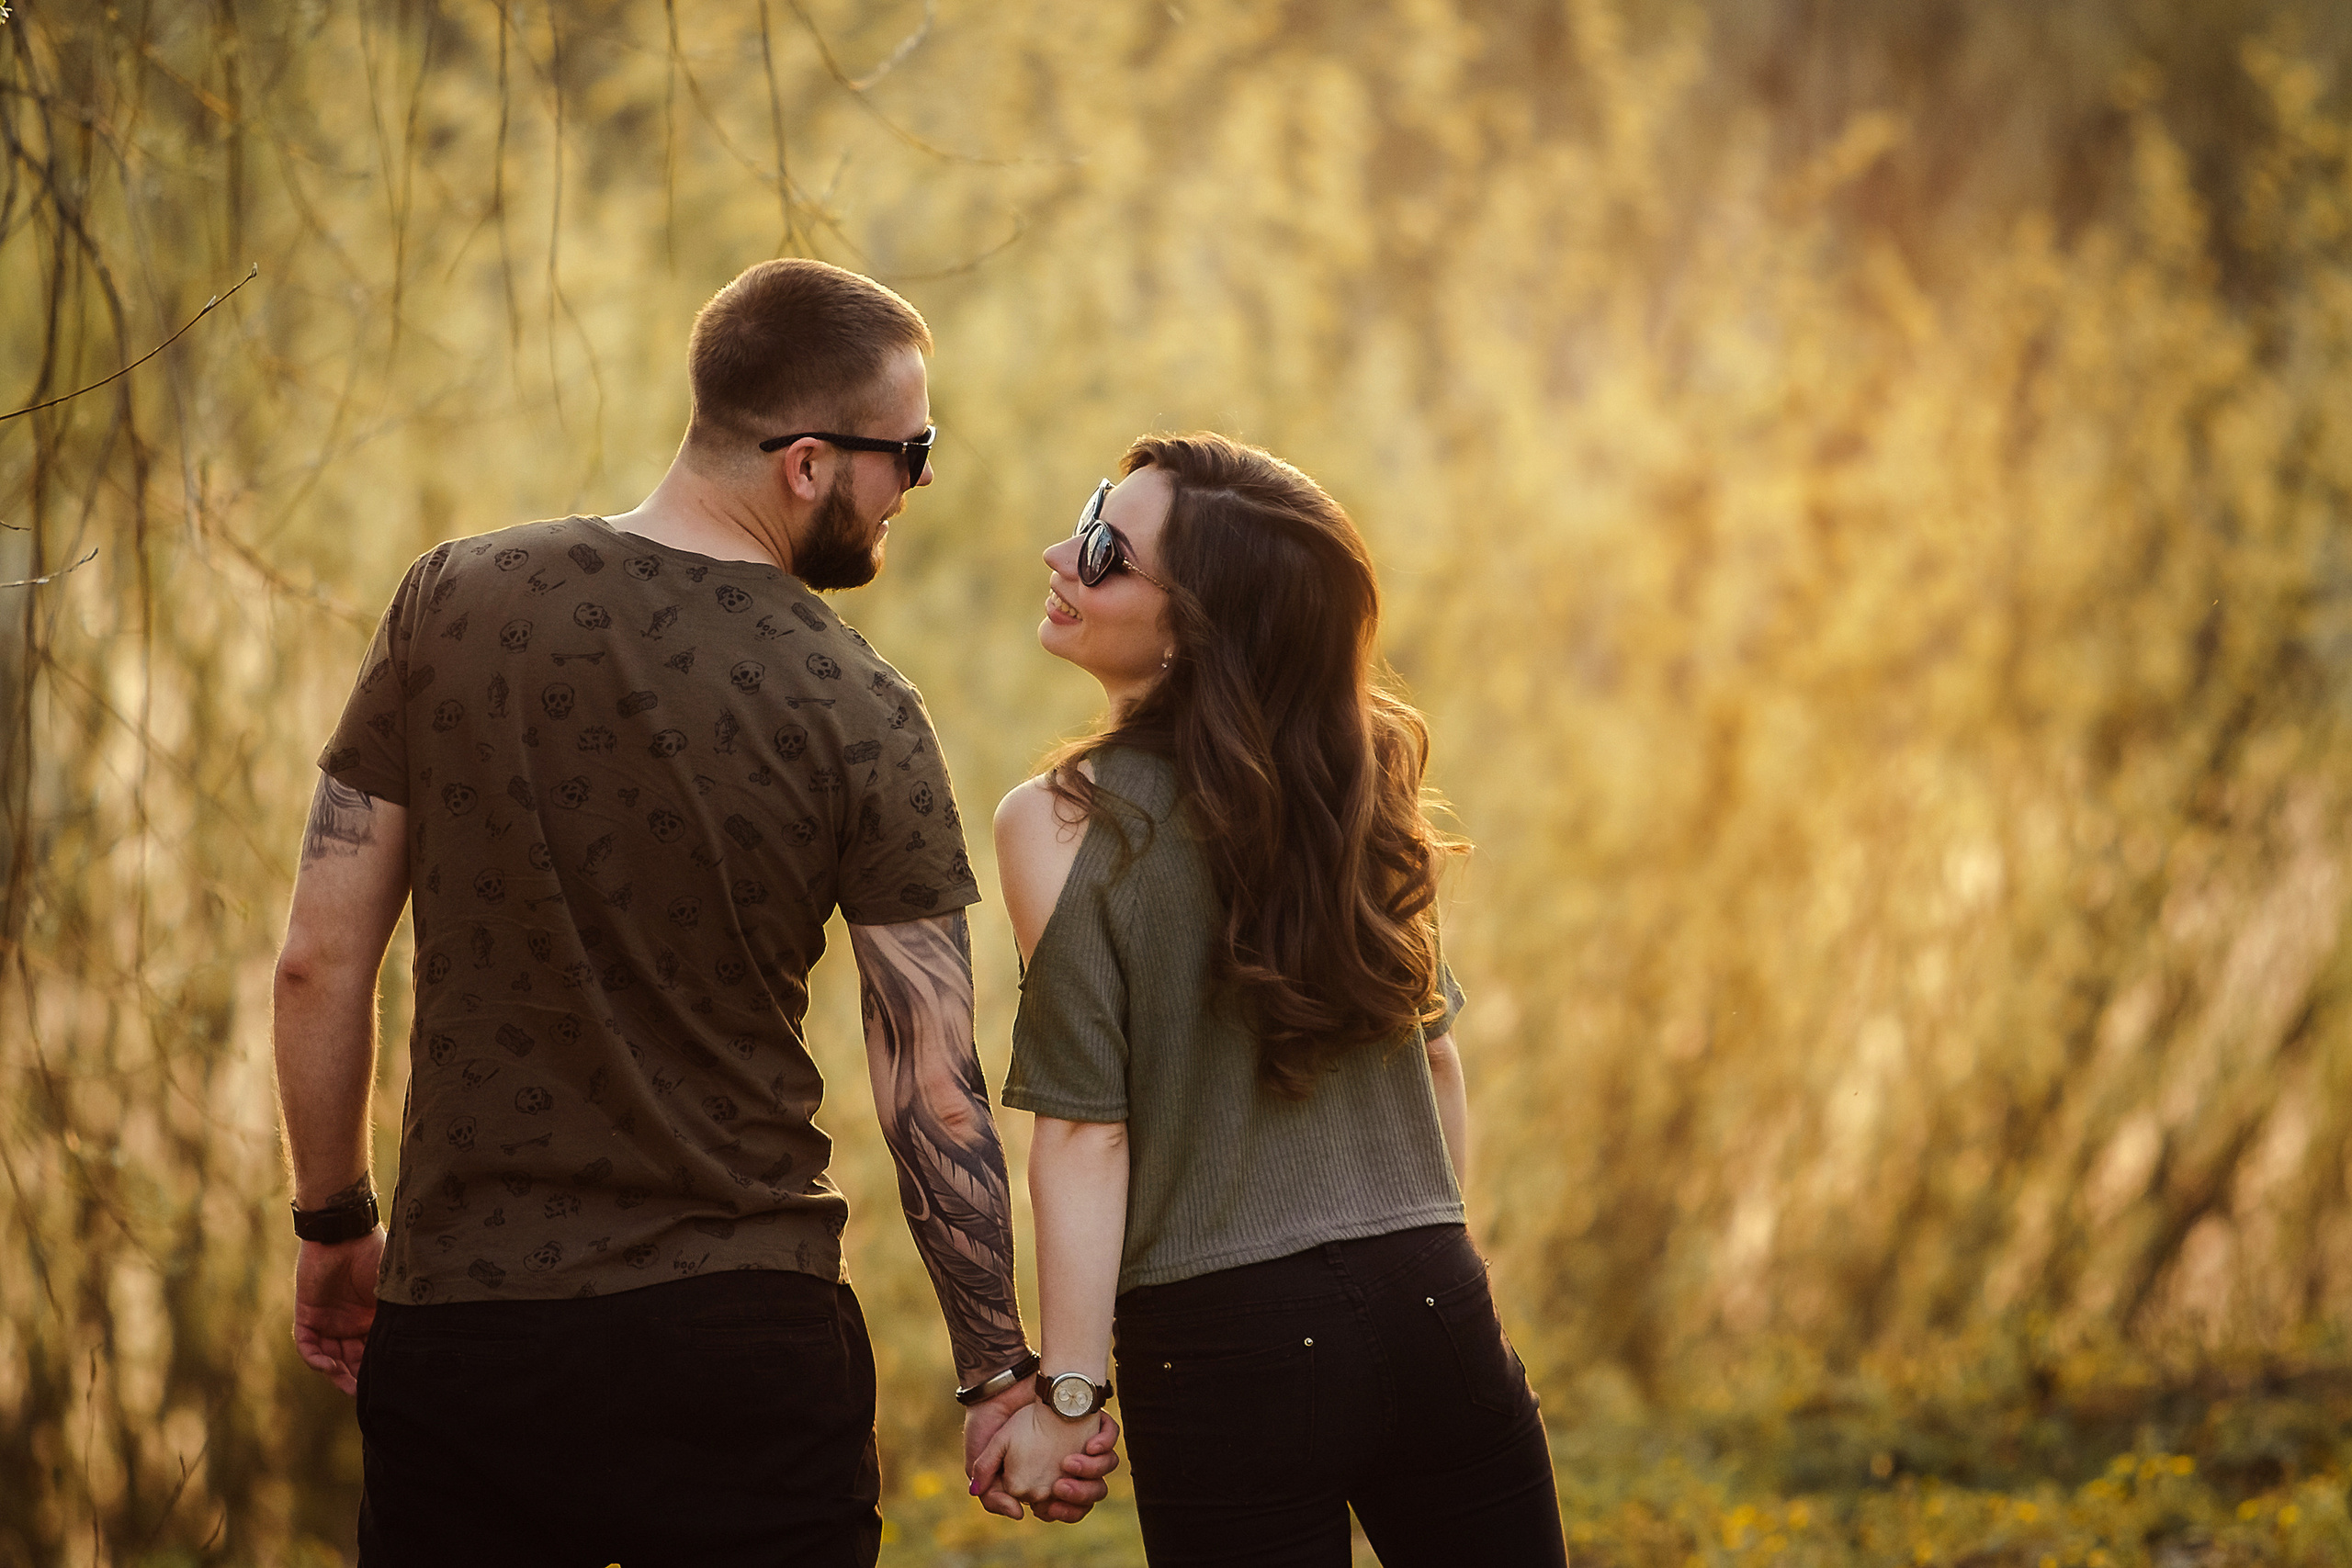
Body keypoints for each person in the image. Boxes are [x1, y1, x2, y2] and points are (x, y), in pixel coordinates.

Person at [273, 257, 1114, 1566]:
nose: (920, 485)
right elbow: (933, 1086)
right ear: (807, 463)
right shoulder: (863, 707)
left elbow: (317, 961)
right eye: (911, 451)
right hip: (742, 1344)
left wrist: (333, 1223)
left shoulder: (454, 600)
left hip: (471, 1336)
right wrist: (998, 1369)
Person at [972, 434, 1568, 1565]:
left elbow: (1086, 1138)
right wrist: (1424, 1286)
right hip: (1430, 1293)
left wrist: (1067, 1400)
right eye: (1091, 514)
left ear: (1194, 628)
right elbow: (1438, 1064)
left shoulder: (1060, 822)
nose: (1062, 552)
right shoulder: (1356, 778)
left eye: (1105, 550)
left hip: (1219, 1346)